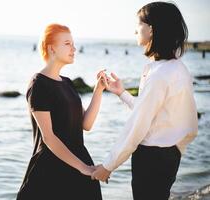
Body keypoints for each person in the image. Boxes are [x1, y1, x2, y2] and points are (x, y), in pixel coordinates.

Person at [92, 2, 198, 200]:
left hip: (152, 159)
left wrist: (108, 166)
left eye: (138, 24)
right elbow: (156, 117)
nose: (135, 30)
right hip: (167, 156)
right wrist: (122, 93)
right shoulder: (177, 68)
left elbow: (138, 126)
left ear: (151, 29)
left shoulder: (160, 74)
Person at [17, 24, 104, 200]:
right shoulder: (39, 84)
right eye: (67, 43)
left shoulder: (68, 83)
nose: (74, 48)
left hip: (79, 163)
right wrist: (83, 168)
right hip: (50, 171)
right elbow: (48, 137)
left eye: (73, 43)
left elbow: (86, 124)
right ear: (51, 48)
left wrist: (99, 90)